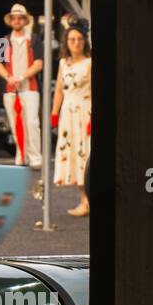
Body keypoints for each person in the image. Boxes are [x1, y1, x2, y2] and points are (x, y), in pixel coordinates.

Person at [0, 3, 43, 169]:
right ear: (10, 20)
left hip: (29, 87)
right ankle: (21, 155)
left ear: (25, 20)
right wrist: (9, 77)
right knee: (16, 124)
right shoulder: (4, 41)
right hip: (11, 89)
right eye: (14, 18)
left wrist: (21, 77)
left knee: (32, 122)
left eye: (20, 18)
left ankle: (35, 157)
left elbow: (38, 63)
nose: (16, 20)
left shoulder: (34, 39)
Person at [51, 26, 92, 216]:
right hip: (68, 113)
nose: (76, 43)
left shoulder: (89, 63)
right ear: (66, 43)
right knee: (73, 154)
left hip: (85, 112)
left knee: (86, 154)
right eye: (72, 39)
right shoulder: (63, 64)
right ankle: (83, 198)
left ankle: (89, 199)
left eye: (79, 39)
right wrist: (54, 112)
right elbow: (59, 90)